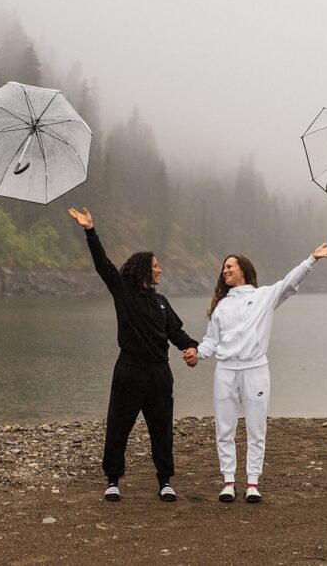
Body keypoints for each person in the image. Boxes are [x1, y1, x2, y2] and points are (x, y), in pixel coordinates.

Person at [184, 242, 327, 503]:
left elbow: (289, 283)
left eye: (229, 266)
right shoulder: (221, 306)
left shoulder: (264, 296)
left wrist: (311, 259)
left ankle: (252, 483)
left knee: (256, 428)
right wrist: (197, 353)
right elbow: (211, 339)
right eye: (223, 268)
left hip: (255, 369)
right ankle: (229, 482)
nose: (224, 271)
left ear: (243, 269)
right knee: (224, 429)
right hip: (225, 371)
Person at [68, 206, 199, 502]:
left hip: (159, 373)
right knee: (118, 425)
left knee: (162, 428)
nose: (160, 270)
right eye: (156, 266)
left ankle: (165, 481)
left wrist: (192, 348)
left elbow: (177, 333)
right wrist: (90, 230)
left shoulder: (162, 302)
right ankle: (112, 480)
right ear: (143, 269)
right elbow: (103, 265)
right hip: (129, 370)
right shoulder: (123, 293)